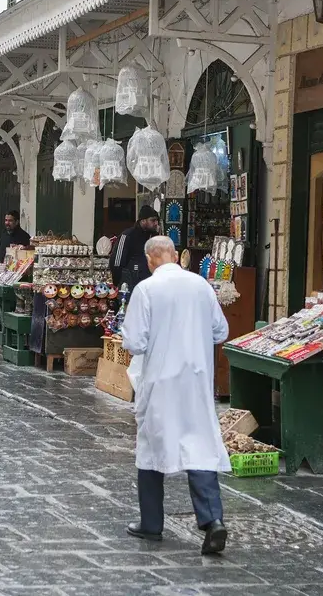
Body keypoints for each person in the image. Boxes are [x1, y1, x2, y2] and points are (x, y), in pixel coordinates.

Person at [120, 236, 230, 555]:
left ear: (151, 259)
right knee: (199, 445)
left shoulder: (146, 289)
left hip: (160, 381)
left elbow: (135, 342)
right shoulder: (200, 285)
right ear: (173, 255)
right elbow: (220, 331)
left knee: (153, 445)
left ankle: (152, 523)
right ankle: (213, 521)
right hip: (196, 380)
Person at [109, 205, 161, 293]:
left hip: (149, 285)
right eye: (153, 220)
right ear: (143, 221)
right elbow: (116, 263)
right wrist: (119, 284)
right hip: (130, 284)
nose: (156, 223)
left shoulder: (154, 237)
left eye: (157, 220)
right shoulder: (127, 236)